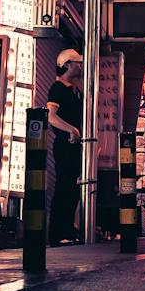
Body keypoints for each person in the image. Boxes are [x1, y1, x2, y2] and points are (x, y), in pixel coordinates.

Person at [45, 49, 86, 244]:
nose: (80, 65)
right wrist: (72, 130)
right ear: (67, 64)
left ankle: (67, 231)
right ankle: (57, 234)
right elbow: (50, 116)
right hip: (64, 144)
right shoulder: (57, 88)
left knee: (72, 188)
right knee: (63, 187)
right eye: (77, 62)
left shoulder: (74, 90)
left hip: (74, 145)